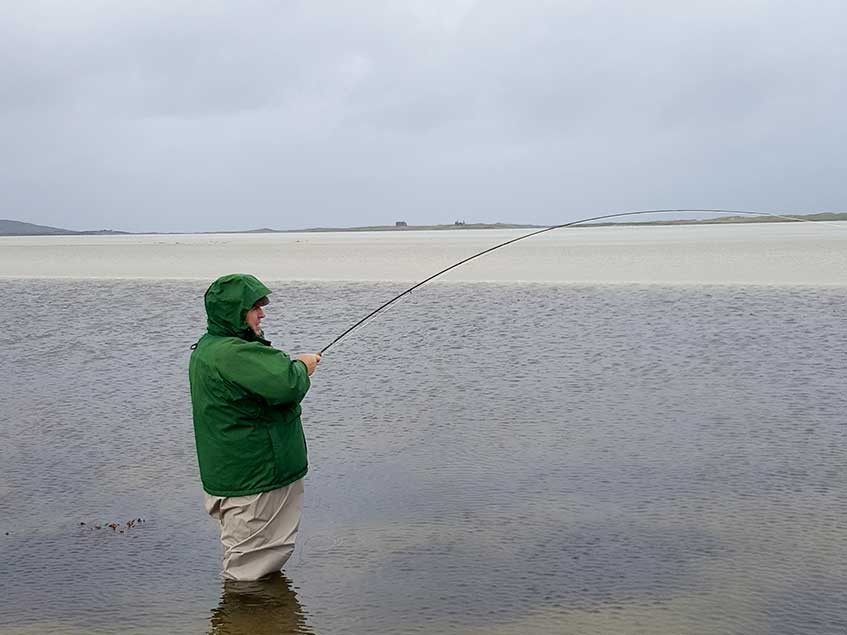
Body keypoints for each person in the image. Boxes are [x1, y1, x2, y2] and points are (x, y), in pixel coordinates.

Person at [189, 273, 321, 581]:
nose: (262, 313)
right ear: (234, 312)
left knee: (256, 565)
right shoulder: (231, 353)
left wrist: (298, 366)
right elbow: (286, 383)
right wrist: (303, 366)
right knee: (248, 574)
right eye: (255, 308)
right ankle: (241, 620)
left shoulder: (212, 348)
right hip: (254, 480)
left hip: (244, 477)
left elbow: (270, 377)